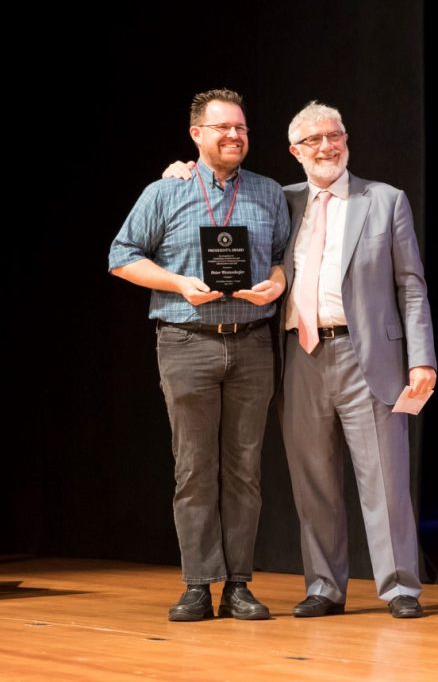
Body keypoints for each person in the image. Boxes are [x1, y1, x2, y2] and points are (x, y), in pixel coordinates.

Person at [162, 100, 437, 619]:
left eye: (335, 136)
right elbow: (216, 188)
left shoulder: (384, 201)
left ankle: (400, 587)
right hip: (301, 353)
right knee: (313, 482)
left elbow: (412, 287)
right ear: (295, 151)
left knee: (385, 478)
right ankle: (325, 587)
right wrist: (180, 169)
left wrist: (422, 358)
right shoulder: (279, 200)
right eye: (314, 141)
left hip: (367, 354)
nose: (327, 147)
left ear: (346, 138)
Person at [108, 88, 290, 622]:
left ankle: (238, 585)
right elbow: (121, 256)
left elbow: (282, 259)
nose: (234, 136)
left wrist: (276, 286)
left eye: (242, 128)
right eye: (222, 128)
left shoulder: (268, 192)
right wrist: (177, 284)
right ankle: (196, 584)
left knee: (245, 471)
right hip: (186, 342)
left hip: (252, 343)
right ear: (196, 135)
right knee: (193, 470)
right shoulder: (165, 192)